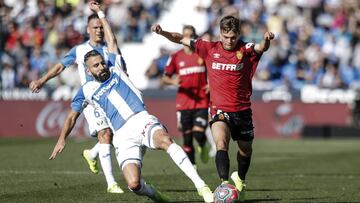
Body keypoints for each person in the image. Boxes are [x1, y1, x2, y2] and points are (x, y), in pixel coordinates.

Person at [48, 28, 214, 203]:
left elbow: (112, 41)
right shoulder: (86, 90)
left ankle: (201, 187)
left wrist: (101, 14)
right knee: (134, 184)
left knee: (166, 141)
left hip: (141, 119)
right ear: (88, 72)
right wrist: (61, 139)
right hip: (122, 136)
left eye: (102, 62)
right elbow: (72, 116)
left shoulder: (114, 67)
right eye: (96, 65)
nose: (102, 66)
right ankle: (155, 195)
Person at [152, 15, 275, 201]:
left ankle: (240, 178)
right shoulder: (208, 48)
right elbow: (179, 38)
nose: (229, 41)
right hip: (219, 109)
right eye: (225, 37)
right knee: (221, 144)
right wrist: (163, 33)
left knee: (245, 150)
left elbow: (261, 48)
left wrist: (266, 40)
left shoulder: (246, 49)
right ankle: (224, 184)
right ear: (220, 34)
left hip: (242, 110)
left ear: (238, 34)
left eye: (233, 37)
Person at [29, 1, 124, 193]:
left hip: (111, 97)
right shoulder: (79, 50)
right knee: (105, 134)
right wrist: (42, 80)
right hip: (91, 100)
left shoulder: (110, 48)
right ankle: (111, 184)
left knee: (118, 134)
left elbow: (123, 70)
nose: (98, 30)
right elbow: (60, 66)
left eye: (100, 27)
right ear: (88, 29)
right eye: (95, 27)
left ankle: (91, 154)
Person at [162, 25, 210, 168]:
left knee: (198, 134)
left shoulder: (202, 54)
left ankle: (203, 144)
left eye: (191, 35)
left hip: (201, 100)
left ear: (194, 36)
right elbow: (165, 78)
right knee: (187, 138)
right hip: (183, 103)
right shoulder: (175, 57)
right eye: (186, 35)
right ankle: (193, 166)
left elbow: (215, 70)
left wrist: (212, 84)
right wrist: (172, 81)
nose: (188, 37)